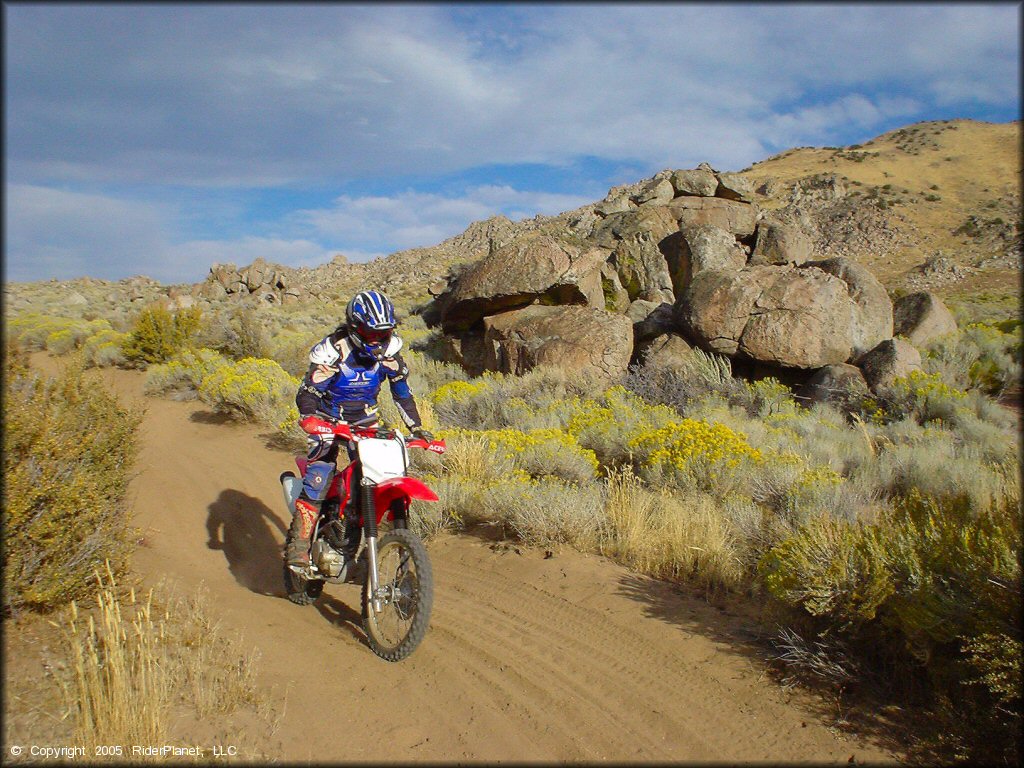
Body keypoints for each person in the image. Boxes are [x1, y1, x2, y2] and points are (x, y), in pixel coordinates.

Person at [287, 289, 433, 570]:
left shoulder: (390, 354)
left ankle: (376, 540)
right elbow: (309, 391)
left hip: (367, 422)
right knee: (319, 476)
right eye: (369, 332)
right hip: (328, 419)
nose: (376, 339)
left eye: (384, 332)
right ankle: (299, 547)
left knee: (385, 474)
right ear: (355, 327)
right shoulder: (334, 350)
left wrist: (417, 428)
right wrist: (309, 418)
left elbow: (401, 392)